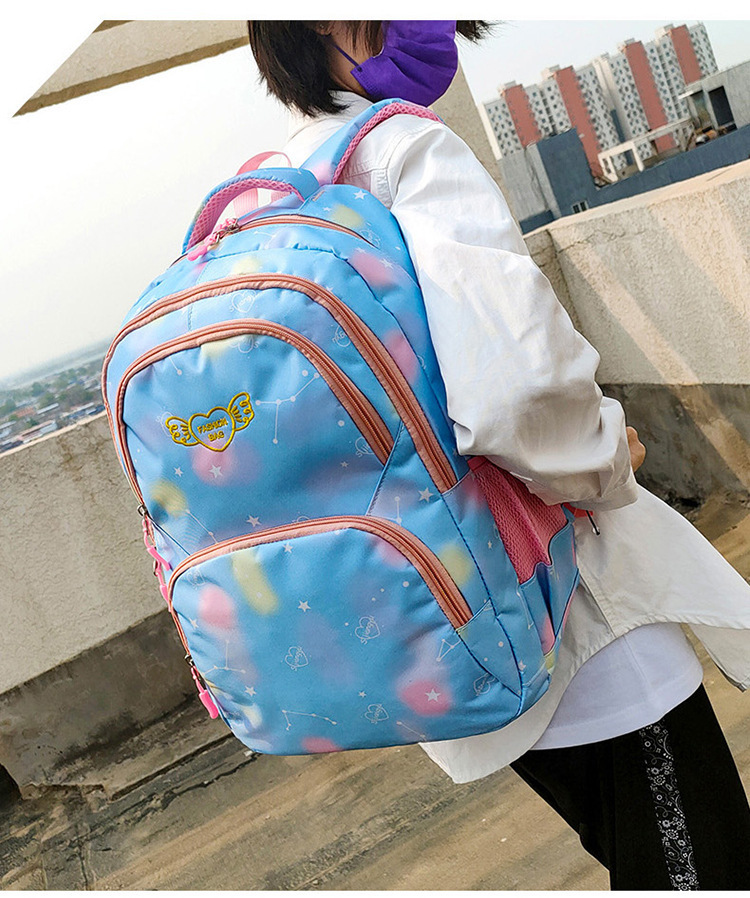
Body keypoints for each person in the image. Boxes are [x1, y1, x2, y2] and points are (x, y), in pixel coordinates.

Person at [247, 21, 750, 890]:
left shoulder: (270, 199)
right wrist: (606, 458)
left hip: (449, 639)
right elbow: (515, 390)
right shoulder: (406, 153)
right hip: (574, 618)